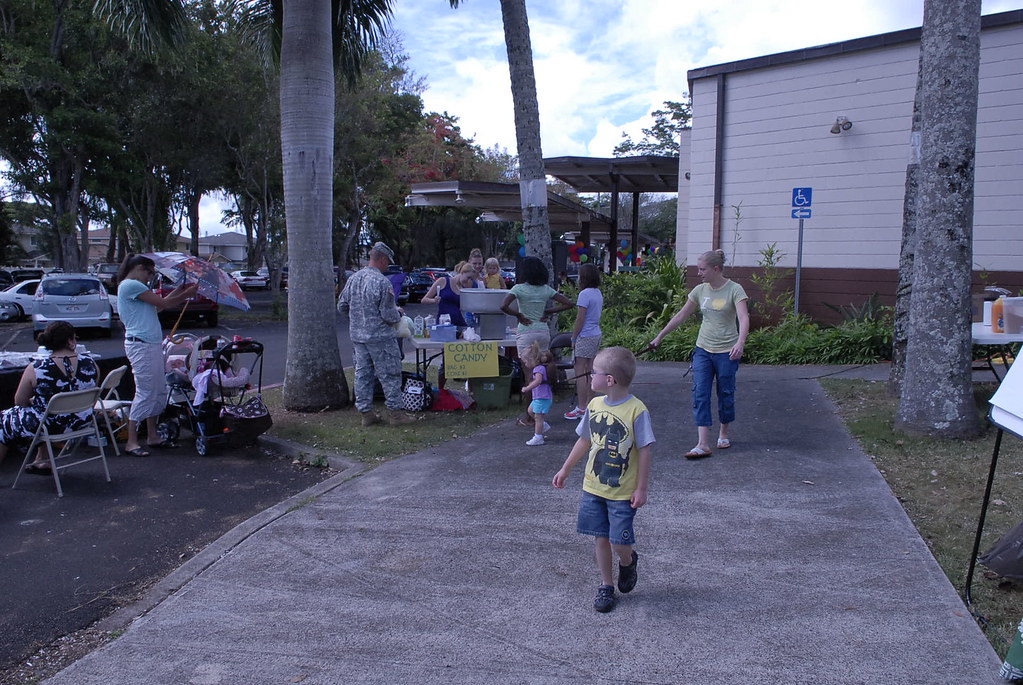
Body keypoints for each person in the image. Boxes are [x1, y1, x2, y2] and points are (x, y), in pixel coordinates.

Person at [552, 346, 654, 613]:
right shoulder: (594, 405)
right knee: (600, 537)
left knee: (619, 540)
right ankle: (606, 586)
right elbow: (584, 440)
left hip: (622, 491)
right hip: (593, 488)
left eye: (593, 372)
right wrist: (565, 469)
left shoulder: (636, 410)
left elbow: (645, 450)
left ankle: (627, 560)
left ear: (609, 380)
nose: (589, 376)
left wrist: (642, 487)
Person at [648, 248, 749, 459]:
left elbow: (744, 317)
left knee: (726, 392)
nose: (699, 273)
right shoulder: (700, 290)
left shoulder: (734, 289)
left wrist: (740, 342)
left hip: (726, 351)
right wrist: (660, 336)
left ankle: (723, 433)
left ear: (716, 269)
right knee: (700, 393)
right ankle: (703, 443)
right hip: (703, 349)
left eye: (703, 269)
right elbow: (681, 315)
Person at [117, 254, 198, 457]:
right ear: (139, 268)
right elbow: (166, 304)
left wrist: (180, 290)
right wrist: (187, 294)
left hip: (150, 344)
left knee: (158, 390)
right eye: (149, 273)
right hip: (141, 345)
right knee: (145, 391)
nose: (149, 278)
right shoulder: (130, 285)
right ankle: (132, 441)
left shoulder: (136, 289)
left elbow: (159, 306)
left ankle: (152, 435)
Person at [0, 321, 100, 473]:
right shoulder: (90, 363)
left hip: (51, 426)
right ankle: (42, 460)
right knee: (44, 413)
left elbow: (19, 401)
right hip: (82, 421)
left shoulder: (37, 367)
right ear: (70, 341)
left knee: (6, 419)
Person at [337, 241, 415, 427]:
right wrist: (399, 313)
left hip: (358, 336)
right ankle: (396, 414)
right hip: (380, 337)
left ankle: (366, 413)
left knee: (363, 374)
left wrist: (357, 316)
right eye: (387, 260)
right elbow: (388, 315)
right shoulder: (382, 282)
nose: (388, 264)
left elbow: (341, 307)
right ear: (381, 259)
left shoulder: (353, 279)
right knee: (390, 374)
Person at [501, 256, 574, 422]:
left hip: (525, 333)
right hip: (542, 332)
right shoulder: (546, 289)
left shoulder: (518, 289)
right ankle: (541, 412)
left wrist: (518, 315)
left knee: (529, 377)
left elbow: (503, 306)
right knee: (541, 373)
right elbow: (569, 304)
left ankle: (529, 416)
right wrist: (549, 312)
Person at [563, 263, 603, 420]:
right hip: (596, 333)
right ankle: (590, 405)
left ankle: (581, 407)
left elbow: (580, 318)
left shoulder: (584, 294)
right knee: (591, 370)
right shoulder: (597, 293)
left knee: (580, 372)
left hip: (585, 335)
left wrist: (574, 337)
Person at [421, 261, 478, 328]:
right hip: (443, 323)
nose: (469, 281)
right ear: (462, 272)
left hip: (458, 323)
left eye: (471, 279)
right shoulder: (443, 281)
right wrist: (434, 300)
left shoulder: (463, 289)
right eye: (468, 277)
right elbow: (424, 300)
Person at [520, 342, 553, 446]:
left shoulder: (539, 369)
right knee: (530, 411)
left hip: (542, 397)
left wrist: (527, 388)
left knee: (538, 417)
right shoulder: (538, 368)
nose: (525, 364)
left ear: (531, 360)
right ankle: (543, 425)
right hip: (538, 397)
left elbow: (538, 381)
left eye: (525, 362)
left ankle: (538, 437)